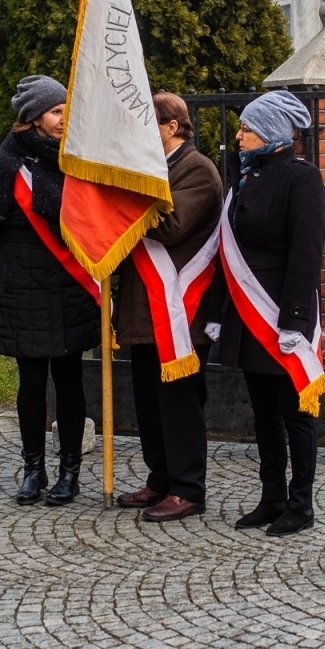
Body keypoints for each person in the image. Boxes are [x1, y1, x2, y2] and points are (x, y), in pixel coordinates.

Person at [0, 75, 99, 507]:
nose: (64, 118)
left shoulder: (77, 161)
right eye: (56, 111)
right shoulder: (4, 166)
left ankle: (70, 471)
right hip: (21, 290)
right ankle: (33, 469)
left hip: (68, 289)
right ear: (33, 118)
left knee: (70, 382)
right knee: (32, 383)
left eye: (66, 109)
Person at [205, 89, 325, 537]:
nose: (238, 136)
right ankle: (271, 497)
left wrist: (294, 320)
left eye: (247, 129)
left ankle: (301, 504)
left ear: (272, 132)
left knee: (296, 412)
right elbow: (229, 252)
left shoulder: (302, 179)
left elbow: (305, 255)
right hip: (246, 310)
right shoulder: (245, 178)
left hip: (279, 310)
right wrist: (218, 310)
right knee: (263, 412)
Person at [113, 92, 223, 523]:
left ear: (172, 126)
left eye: (148, 123)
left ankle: (187, 488)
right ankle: (160, 478)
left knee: (179, 405)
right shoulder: (155, 169)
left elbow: (173, 226)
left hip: (180, 312)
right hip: (144, 309)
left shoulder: (197, 169)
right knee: (149, 402)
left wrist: (125, 195)